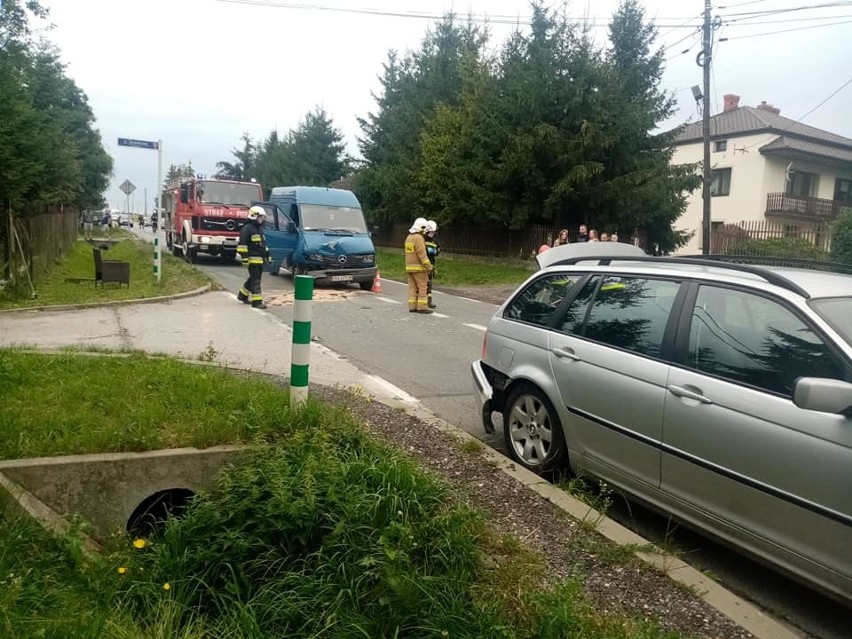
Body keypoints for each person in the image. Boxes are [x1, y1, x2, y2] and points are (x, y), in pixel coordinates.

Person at [236, 206, 271, 309]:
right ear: (253, 216)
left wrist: (268, 256)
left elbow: (263, 245)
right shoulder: (247, 229)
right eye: (260, 217)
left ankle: (242, 295)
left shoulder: (259, 229)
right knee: (256, 280)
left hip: (260, 260)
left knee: (253, 278)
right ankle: (257, 302)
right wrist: (245, 259)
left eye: (263, 217)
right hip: (252, 260)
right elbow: (242, 246)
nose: (262, 219)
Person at [404, 217, 433, 314]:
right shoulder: (419, 238)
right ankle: (422, 307)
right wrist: (429, 267)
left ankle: (412, 307)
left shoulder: (408, 237)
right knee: (422, 286)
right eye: (425, 229)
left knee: (412, 287)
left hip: (409, 267)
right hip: (419, 269)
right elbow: (422, 254)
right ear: (422, 227)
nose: (425, 232)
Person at [424, 220, 441, 309]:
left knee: (429, 283)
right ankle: (421, 300)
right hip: (422, 265)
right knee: (422, 283)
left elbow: (437, 251)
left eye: (434, 232)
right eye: (432, 232)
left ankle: (429, 300)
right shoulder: (420, 239)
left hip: (431, 264)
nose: (433, 233)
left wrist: (435, 251)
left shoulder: (435, 241)